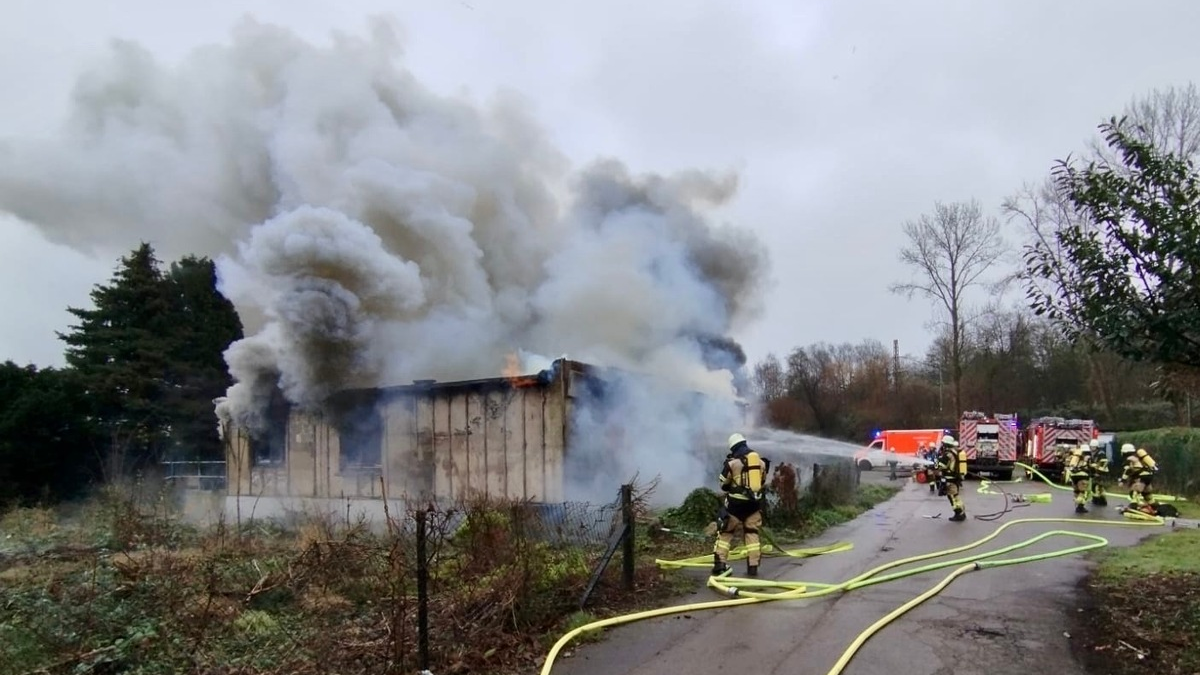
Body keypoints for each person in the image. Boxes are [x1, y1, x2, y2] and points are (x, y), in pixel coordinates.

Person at [712, 433, 772, 577]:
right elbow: (762, 482)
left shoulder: (732, 464)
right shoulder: (761, 463)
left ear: (733, 448)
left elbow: (723, 484)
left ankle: (720, 565)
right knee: (752, 534)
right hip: (753, 506)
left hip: (734, 506)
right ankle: (753, 567)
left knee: (726, 533)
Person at [1118, 443, 1159, 514]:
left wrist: (1122, 480)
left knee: (1135, 492)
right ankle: (1155, 507)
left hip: (1141, 477)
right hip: (1148, 476)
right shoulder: (1138, 457)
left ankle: (1133, 508)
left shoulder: (1130, 459)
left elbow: (1127, 470)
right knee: (1147, 494)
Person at [936, 436, 968, 521]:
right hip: (955, 478)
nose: (942, 445)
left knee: (952, 497)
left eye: (943, 443)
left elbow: (940, 466)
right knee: (956, 496)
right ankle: (962, 513)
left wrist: (935, 463)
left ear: (945, 444)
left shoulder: (947, 454)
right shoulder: (955, 451)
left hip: (949, 479)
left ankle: (958, 514)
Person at [1064, 445, 1092, 514]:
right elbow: (1091, 466)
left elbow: (1067, 464)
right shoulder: (1087, 457)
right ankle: (1080, 506)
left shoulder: (1073, 457)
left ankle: (1078, 506)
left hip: (1073, 476)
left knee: (1076, 491)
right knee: (1083, 492)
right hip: (1083, 476)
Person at [1087, 439, 1110, 507]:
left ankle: (1100, 500)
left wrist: (1099, 472)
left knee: (1097, 486)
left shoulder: (1101, 453)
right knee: (1096, 486)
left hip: (1101, 472)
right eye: (1091, 446)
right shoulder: (1093, 453)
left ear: (1097, 447)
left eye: (1093, 447)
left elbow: (1103, 464)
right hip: (1096, 472)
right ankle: (1098, 500)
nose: (1092, 448)